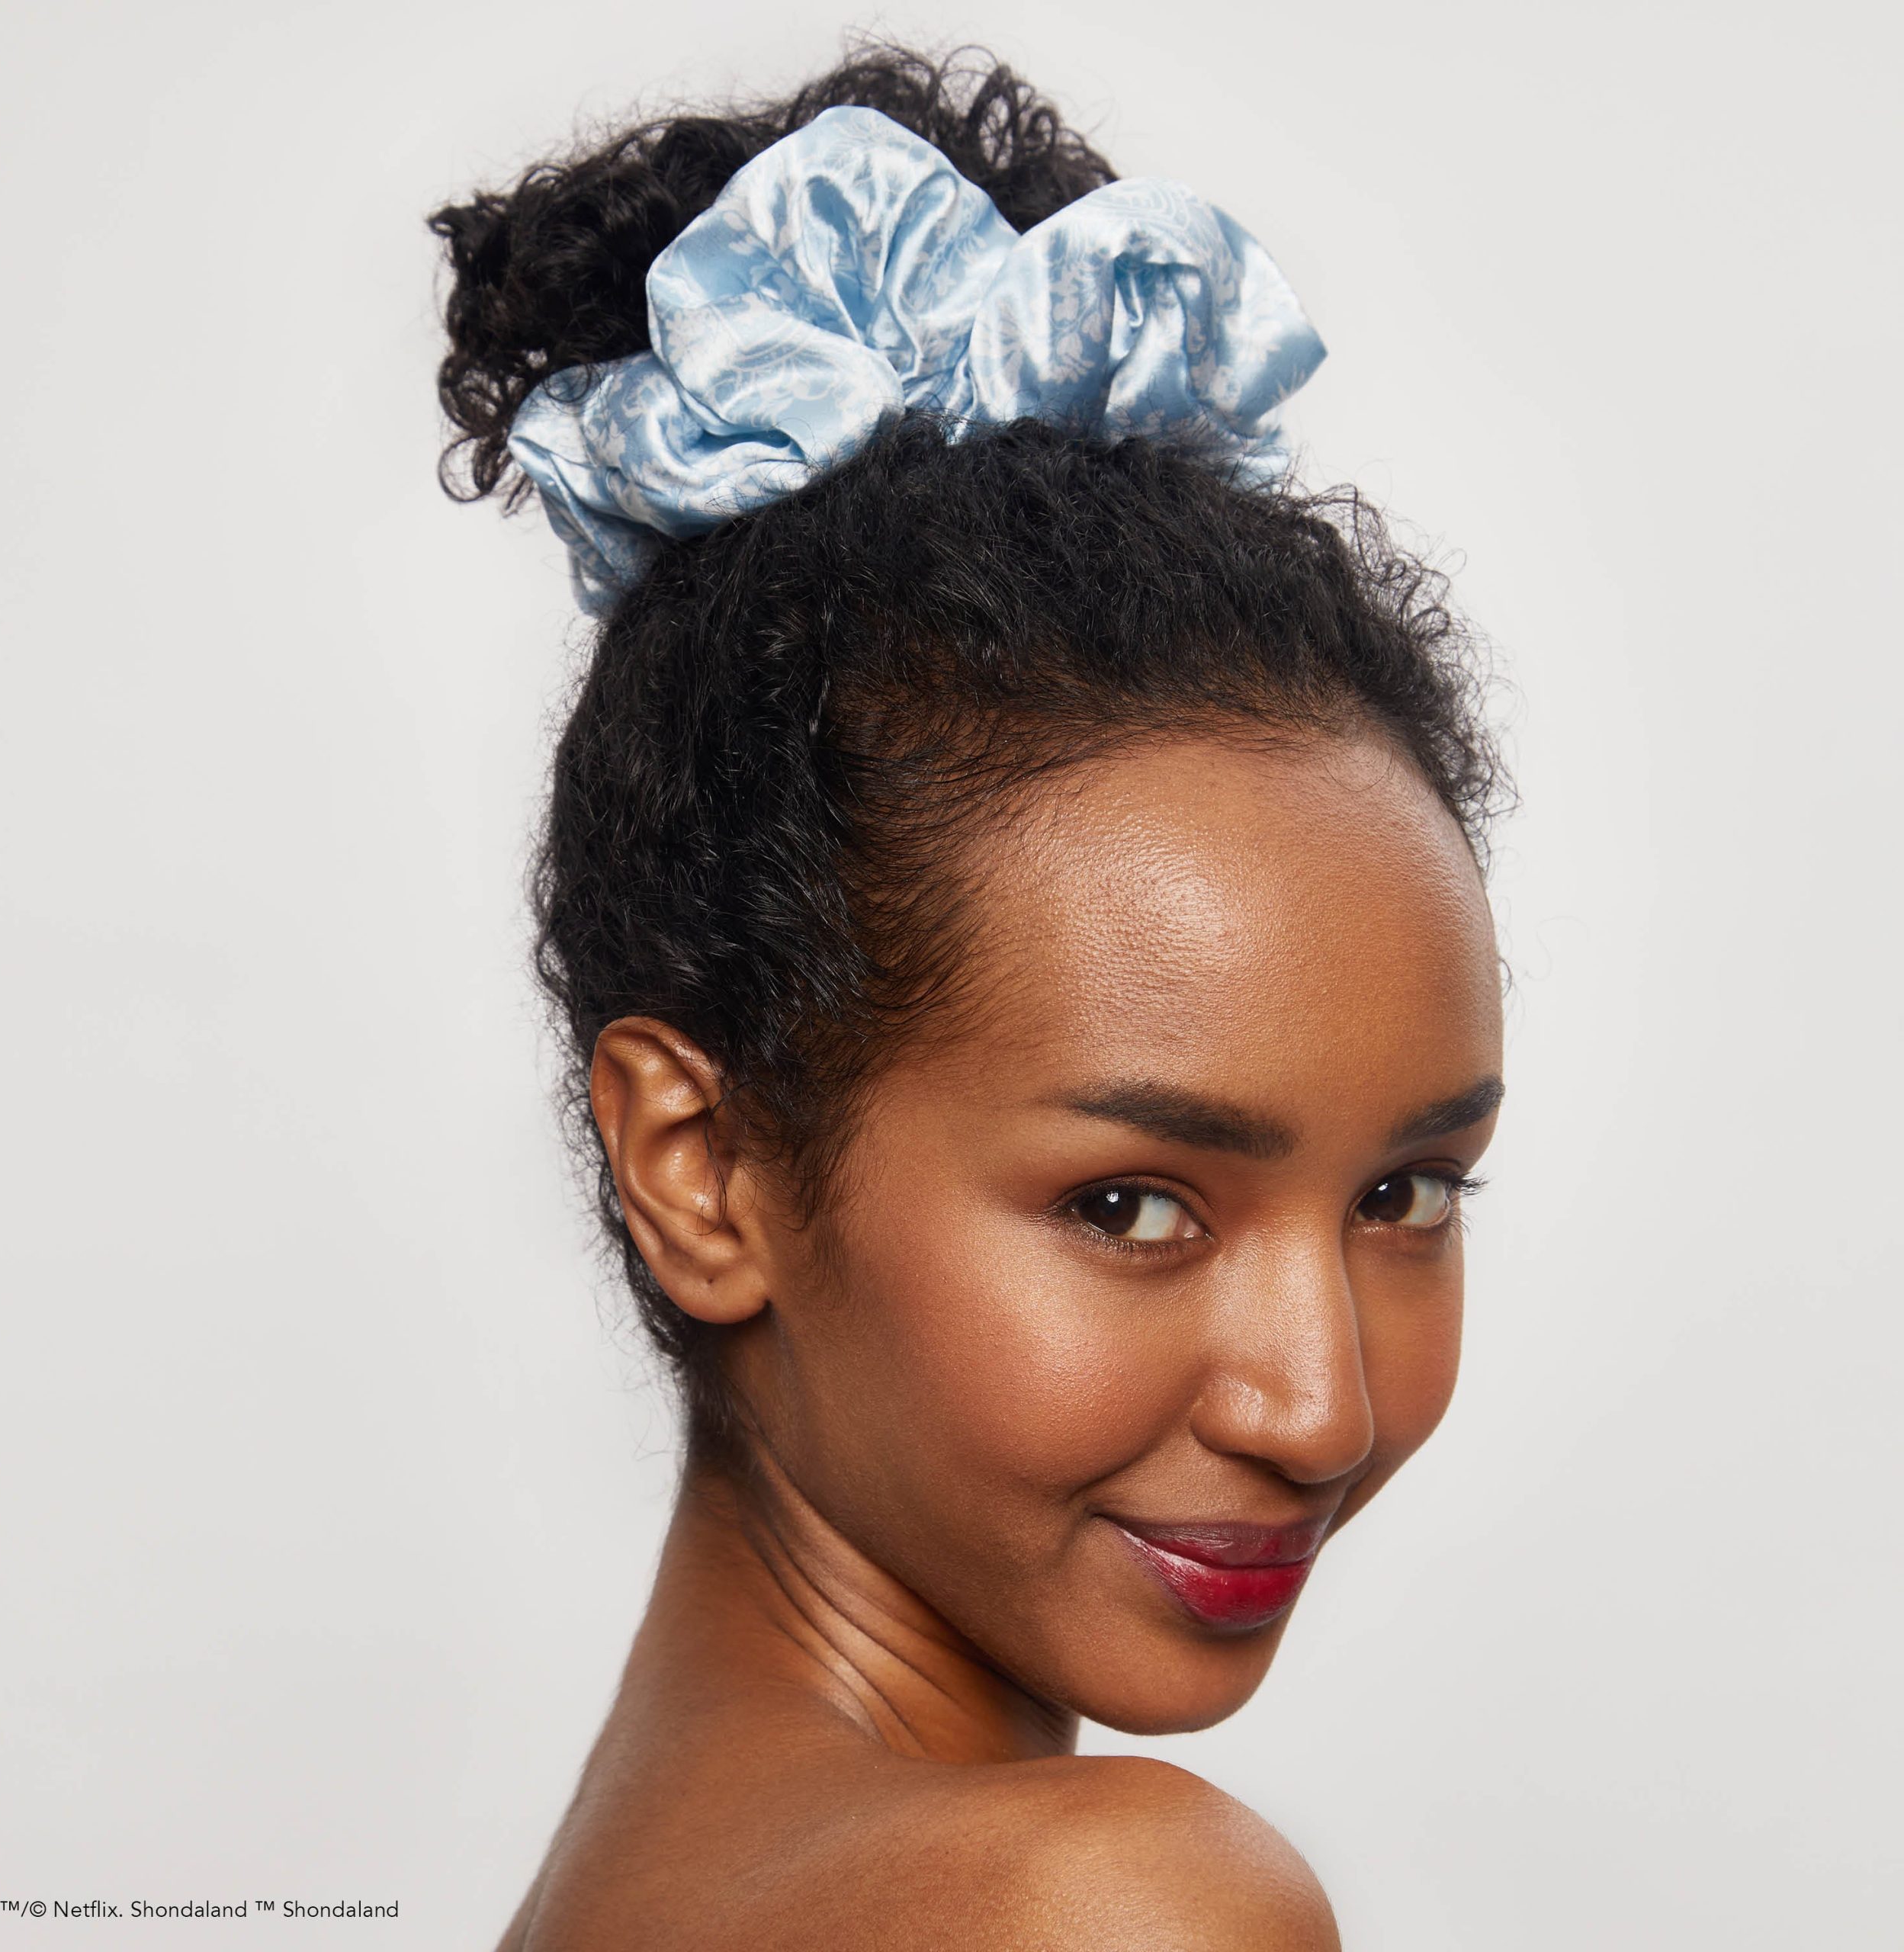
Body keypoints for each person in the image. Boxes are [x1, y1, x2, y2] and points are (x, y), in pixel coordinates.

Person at [430, 42, 1507, 1951]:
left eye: (1403, 1192)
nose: (1322, 1404)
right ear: (700, 1163)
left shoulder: (649, 1884)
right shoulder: (1104, 1908)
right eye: (1132, 1204)